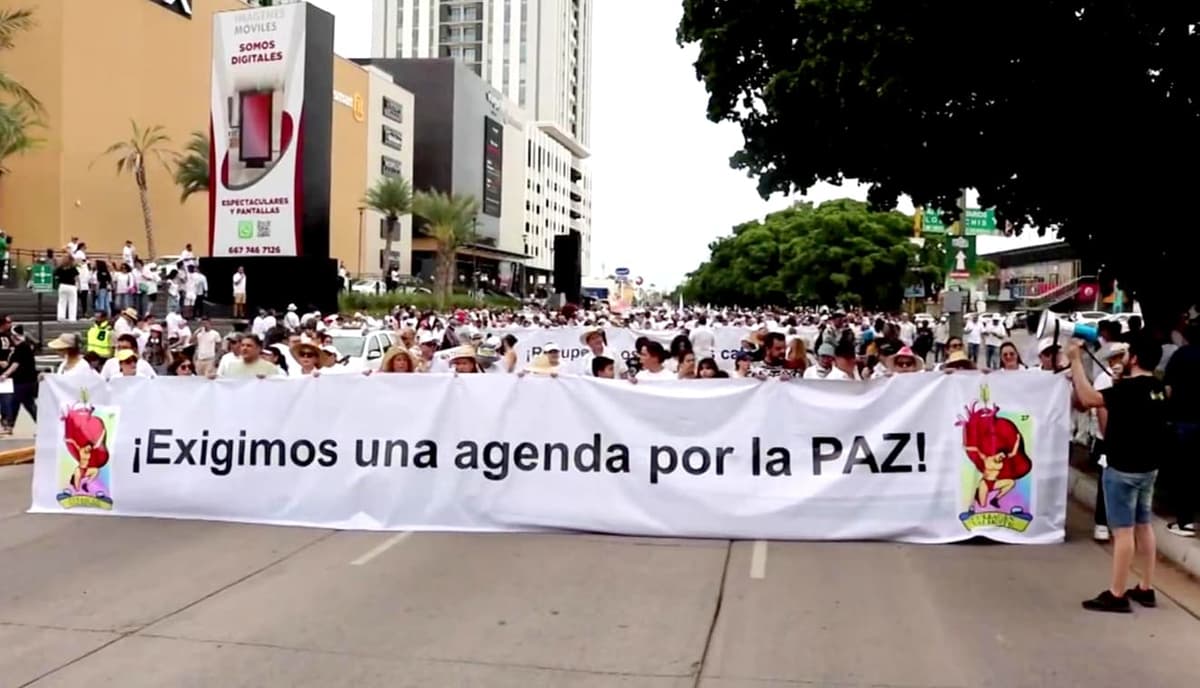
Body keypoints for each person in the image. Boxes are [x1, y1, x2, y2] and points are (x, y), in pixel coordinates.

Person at [1069, 335, 1169, 613]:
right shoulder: (1156, 388)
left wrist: (1077, 361)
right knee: (1143, 526)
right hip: (1148, 470)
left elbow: (1089, 398)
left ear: (1135, 359)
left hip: (1122, 469)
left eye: (1127, 354)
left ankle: (1116, 594)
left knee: (1123, 533)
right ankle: (1146, 588)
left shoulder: (1127, 390)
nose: (1123, 358)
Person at [217, 334, 281, 379]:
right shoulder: (232, 366)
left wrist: (266, 381)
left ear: (258, 348)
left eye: (249, 346)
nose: (245, 348)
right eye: (242, 345)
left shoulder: (270, 368)